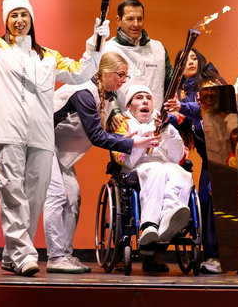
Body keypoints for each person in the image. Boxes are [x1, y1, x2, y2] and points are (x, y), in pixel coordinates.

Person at [0, 0, 108, 276]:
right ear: (6, 21)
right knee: (12, 193)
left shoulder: (48, 56)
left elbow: (80, 72)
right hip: (7, 131)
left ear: (31, 19)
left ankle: (12, 254)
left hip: (41, 135)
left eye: (24, 14)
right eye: (13, 15)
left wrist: (95, 44)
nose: (19, 20)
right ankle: (23, 255)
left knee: (35, 197)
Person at [43, 52, 160, 273]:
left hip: (56, 147)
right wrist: (132, 143)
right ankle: (55, 257)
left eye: (125, 75)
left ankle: (65, 255)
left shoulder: (105, 96)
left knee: (73, 196)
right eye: (120, 74)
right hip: (42, 141)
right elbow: (97, 136)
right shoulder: (84, 93)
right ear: (105, 73)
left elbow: (100, 130)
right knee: (57, 195)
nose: (123, 80)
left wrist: (125, 138)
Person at [111, 85, 193, 272]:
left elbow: (177, 157)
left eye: (148, 98)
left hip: (166, 166)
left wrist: (168, 131)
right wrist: (142, 140)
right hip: (137, 169)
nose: (145, 101)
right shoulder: (123, 124)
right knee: (156, 169)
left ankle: (169, 217)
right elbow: (126, 161)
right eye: (139, 98)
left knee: (181, 173)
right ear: (129, 106)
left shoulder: (164, 121)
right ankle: (149, 224)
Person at [164, 49, 227, 274]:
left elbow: (210, 107)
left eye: (193, 58)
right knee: (204, 202)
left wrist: (181, 107)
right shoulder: (181, 92)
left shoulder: (212, 82)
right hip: (209, 158)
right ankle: (210, 255)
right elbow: (178, 118)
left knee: (215, 202)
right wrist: (161, 119)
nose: (190, 62)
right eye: (183, 60)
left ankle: (218, 257)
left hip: (228, 155)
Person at [103, 0, 173, 119]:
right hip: (121, 123)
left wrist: (168, 113)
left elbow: (170, 83)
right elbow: (103, 87)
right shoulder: (108, 49)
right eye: (130, 19)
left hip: (157, 121)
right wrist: (114, 113)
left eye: (139, 19)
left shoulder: (158, 48)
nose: (136, 24)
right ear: (118, 20)